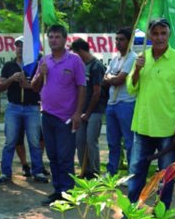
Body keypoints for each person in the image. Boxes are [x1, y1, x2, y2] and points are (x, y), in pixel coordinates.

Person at [126, 18, 175, 209]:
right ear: (149, 36)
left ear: (169, 34)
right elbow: (131, 88)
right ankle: (131, 213)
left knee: (166, 176)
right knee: (136, 172)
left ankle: (161, 214)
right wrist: (137, 69)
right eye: (155, 33)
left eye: (163, 33)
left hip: (168, 129)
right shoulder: (141, 58)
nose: (159, 37)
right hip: (143, 126)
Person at [32, 25, 86, 206]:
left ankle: (68, 193)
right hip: (46, 115)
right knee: (53, 156)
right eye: (51, 37)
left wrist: (78, 113)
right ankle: (57, 191)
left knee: (65, 156)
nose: (53, 40)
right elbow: (34, 86)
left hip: (66, 117)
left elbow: (81, 87)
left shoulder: (74, 60)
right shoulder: (44, 61)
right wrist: (41, 74)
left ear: (65, 39)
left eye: (57, 37)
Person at [0, 36, 48, 185]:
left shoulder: (36, 65)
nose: (20, 48)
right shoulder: (9, 66)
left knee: (34, 142)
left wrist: (29, 85)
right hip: (13, 108)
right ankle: (5, 173)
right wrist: (11, 79)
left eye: (23, 45)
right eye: (18, 45)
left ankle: (37, 171)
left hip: (32, 107)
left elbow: (44, 87)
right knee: (10, 141)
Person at [71, 38, 107, 179]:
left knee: (91, 141)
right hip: (81, 111)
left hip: (95, 111)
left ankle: (94, 172)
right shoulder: (80, 66)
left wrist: (88, 112)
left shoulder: (96, 66)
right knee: (80, 142)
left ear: (80, 51)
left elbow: (97, 92)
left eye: (75, 53)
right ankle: (84, 171)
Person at [103, 28, 137, 177]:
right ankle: (111, 171)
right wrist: (112, 78)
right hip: (112, 103)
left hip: (126, 103)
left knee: (129, 142)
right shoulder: (116, 58)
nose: (118, 42)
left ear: (129, 41)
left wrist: (112, 78)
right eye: (116, 39)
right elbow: (106, 78)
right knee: (112, 141)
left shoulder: (133, 58)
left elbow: (118, 80)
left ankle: (132, 174)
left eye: (121, 39)